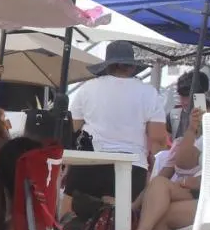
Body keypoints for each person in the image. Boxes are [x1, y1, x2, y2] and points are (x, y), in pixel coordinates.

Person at [68, 40, 168, 203]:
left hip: (90, 160)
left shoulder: (87, 88)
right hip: (132, 165)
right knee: (122, 215)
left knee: (72, 212)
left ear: (107, 66)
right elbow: (158, 137)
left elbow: (72, 128)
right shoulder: (149, 93)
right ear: (132, 67)